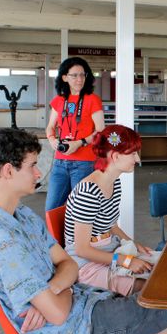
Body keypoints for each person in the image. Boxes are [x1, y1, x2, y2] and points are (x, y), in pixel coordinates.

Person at [0, 127, 167, 334]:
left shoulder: (23, 214)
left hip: (85, 302)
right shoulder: (6, 241)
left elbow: (68, 262)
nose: (40, 173)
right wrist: (65, 282)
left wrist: (57, 287)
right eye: (33, 165)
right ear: (9, 171)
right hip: (72, 332)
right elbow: (61, 308)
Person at [64, 124, 152, 296]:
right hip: (86, 263)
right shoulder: (88, 191)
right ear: (115, 156)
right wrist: (125, 260)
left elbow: (112, 225)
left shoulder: (114, 183)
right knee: (147, 285)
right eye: (133, 154)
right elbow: (82, 249)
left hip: (108, 251)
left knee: (156, 269)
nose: (138, 159)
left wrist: (134, 245)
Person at [45, 56, 105, 211]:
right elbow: (50, 126)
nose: (79, 79)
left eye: (82, 75)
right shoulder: (59, 100)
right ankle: (56, 237)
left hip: (84, 163)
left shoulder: (92, 100)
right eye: (74, 75)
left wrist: (80, 142)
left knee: (79, 210)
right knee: (52, 209)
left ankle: (76, 236)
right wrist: (52, 140)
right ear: (65, 77)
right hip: (60, 163)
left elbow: (100, 130)